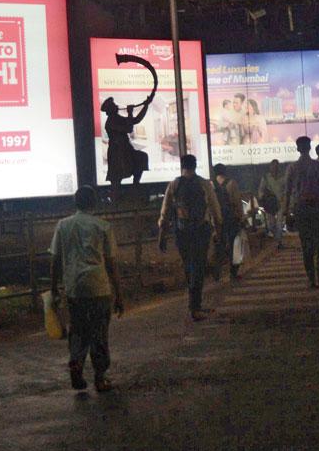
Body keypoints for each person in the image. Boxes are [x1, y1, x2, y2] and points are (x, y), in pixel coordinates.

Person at [49, 185, 124, 393]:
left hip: (74, 287)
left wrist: (54, 287)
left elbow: (55, 259)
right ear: (94, 203)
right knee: (99, 331)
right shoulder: (103, 226)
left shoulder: (62, 225)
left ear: (75, 202)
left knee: (78, 329)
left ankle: (76, 361)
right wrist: (119, 294)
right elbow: (111, 263)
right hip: (98, 286)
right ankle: (100, 377)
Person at [159, 154, 222, 320]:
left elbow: (165, 212)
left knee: (189, 267)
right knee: (198, 267)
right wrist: (219, 231)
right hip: (201, 231)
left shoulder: (174, 184)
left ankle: (194, 304)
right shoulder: (203, 184)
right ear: (195, 166)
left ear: (182, 166)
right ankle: (195, 306)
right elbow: (215, 209)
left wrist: (162, 236)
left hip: (182, 233)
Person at [283, 136, 319, 288]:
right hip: (318, 207)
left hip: (301, 208)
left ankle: (311, 277)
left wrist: (286, 212)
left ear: (298, 149)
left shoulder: (292, 168)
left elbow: (287, 192)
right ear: (310, 147)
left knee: (306, 243)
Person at [101, 97, 150, 186]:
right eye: (114, 105)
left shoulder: (117, 118)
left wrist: (146, 106)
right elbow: (128, 129)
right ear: (110, 109)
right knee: (116, 178)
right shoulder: (111, 121)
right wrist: (130, 113)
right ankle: (118, 195)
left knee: (141, 157)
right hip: (117, 152)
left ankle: (136, 185)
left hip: (125, 149)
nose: (116, 106)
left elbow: (135, 120)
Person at [212, 163, 245, 281]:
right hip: (231, 219)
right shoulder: (232, 183)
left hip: (217, 220)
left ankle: (217, 273)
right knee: (235, 246)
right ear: (225, 171)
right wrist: (241, 217)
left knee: (219, 246)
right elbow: (237, 202)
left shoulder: (211, 185)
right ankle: (233, 273)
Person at [258, 159, 286, 248]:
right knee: (271, 225)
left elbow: (286, 190)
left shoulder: (283, 178)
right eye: (273, 166)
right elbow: (261, 190)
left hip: (280, 204)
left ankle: (279, 242)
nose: (274, 168)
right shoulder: (266, 178)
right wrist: (262, 198)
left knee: (279, 224)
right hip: (270, 204)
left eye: (276, 166)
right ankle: (277, 239)